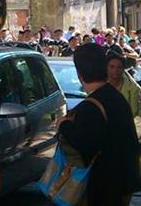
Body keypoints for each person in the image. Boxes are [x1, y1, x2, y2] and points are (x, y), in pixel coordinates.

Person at [58, 44, 140, 205]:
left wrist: (63, 125)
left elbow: (85, 144)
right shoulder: (115, 96)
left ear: (80, 74)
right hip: (122, 180)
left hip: (104, 184)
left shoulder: (91, 106)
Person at [107, 51, 141, 118]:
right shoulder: (99, 85)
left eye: (119, 67)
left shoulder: (133, 88)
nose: (115, 70)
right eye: (112, 66)